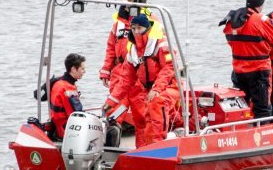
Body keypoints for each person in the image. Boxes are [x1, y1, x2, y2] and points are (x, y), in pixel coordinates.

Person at [102, 14, 180, 148]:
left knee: (156, 103)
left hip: (169, 86)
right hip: (148, 89)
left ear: (147, 28)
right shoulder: (133, 51)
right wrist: (111, 101)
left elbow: (169, 68)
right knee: (144, 118)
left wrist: (156, 89)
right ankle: (146, 150)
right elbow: (126, 79)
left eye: (139, 28)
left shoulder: (160, 44)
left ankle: (158, 147)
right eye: (133, 28)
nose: (136, 31)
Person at [218, 0, 273, 120]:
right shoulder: (262, 20)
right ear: (260, 5)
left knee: (241, 108)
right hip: (259, 72)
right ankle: (264, 137)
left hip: (238, 72)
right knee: (262, 109)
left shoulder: (234, 19)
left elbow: (229, 39)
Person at [48, 53, 86, 140]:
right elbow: (76, 115)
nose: (84, 72)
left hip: (61, 128)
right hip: (67, 131)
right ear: (73, 69)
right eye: (82, 69)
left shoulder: (59, 82)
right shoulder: (67, 88)